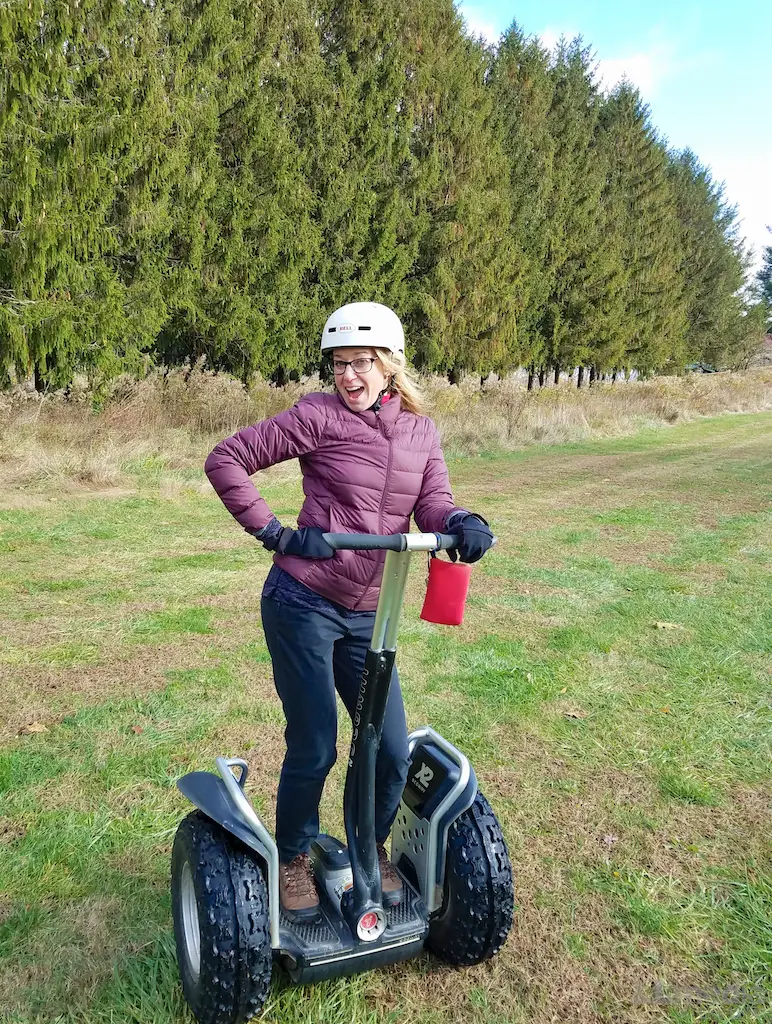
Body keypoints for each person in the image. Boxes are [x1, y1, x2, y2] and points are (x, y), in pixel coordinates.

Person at [204, 302, 494, 920]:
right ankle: (292, 859)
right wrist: (277, 534)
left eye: (361, 362)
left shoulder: (420, 431)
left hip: (370, 614)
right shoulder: (317, 415)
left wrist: (461, 523)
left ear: (390, 365)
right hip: (302, 601)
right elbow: (226, 459)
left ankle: (370, 848)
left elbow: (433, 503)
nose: (348, 377)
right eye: (339, 364)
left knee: (389, 749)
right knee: (315, 742)